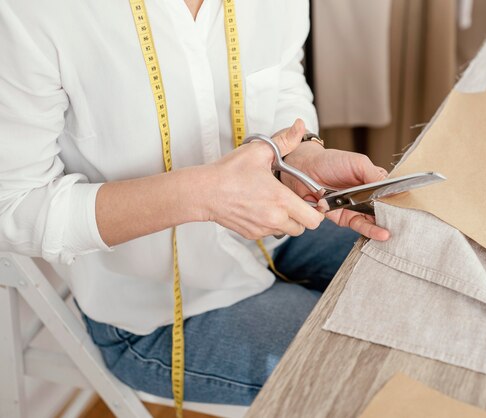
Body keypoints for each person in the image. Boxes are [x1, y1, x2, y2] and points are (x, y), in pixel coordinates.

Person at [0, 0, 390, 406]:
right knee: (384, 370)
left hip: (276, 231)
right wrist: (202, 195)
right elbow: (13, 207)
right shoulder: (34, 11)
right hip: (157, 308)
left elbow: (283, 76)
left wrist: (301, 156)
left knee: (430, 281)